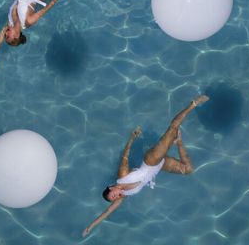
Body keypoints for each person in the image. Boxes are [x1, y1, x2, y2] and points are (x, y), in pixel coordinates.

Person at [82, 95, 209, 237]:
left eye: (113, 195)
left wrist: (132, 137)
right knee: (188, 169)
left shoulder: (122, 177)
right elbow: (107, 212)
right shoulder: (124, 196)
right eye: (114, 198)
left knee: (173, 128)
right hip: (159, 167)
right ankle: (178, 142)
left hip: (151, 160)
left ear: (112, 187)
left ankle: (193, 103)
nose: (116, 197)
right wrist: (90, 227)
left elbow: (125, 156)